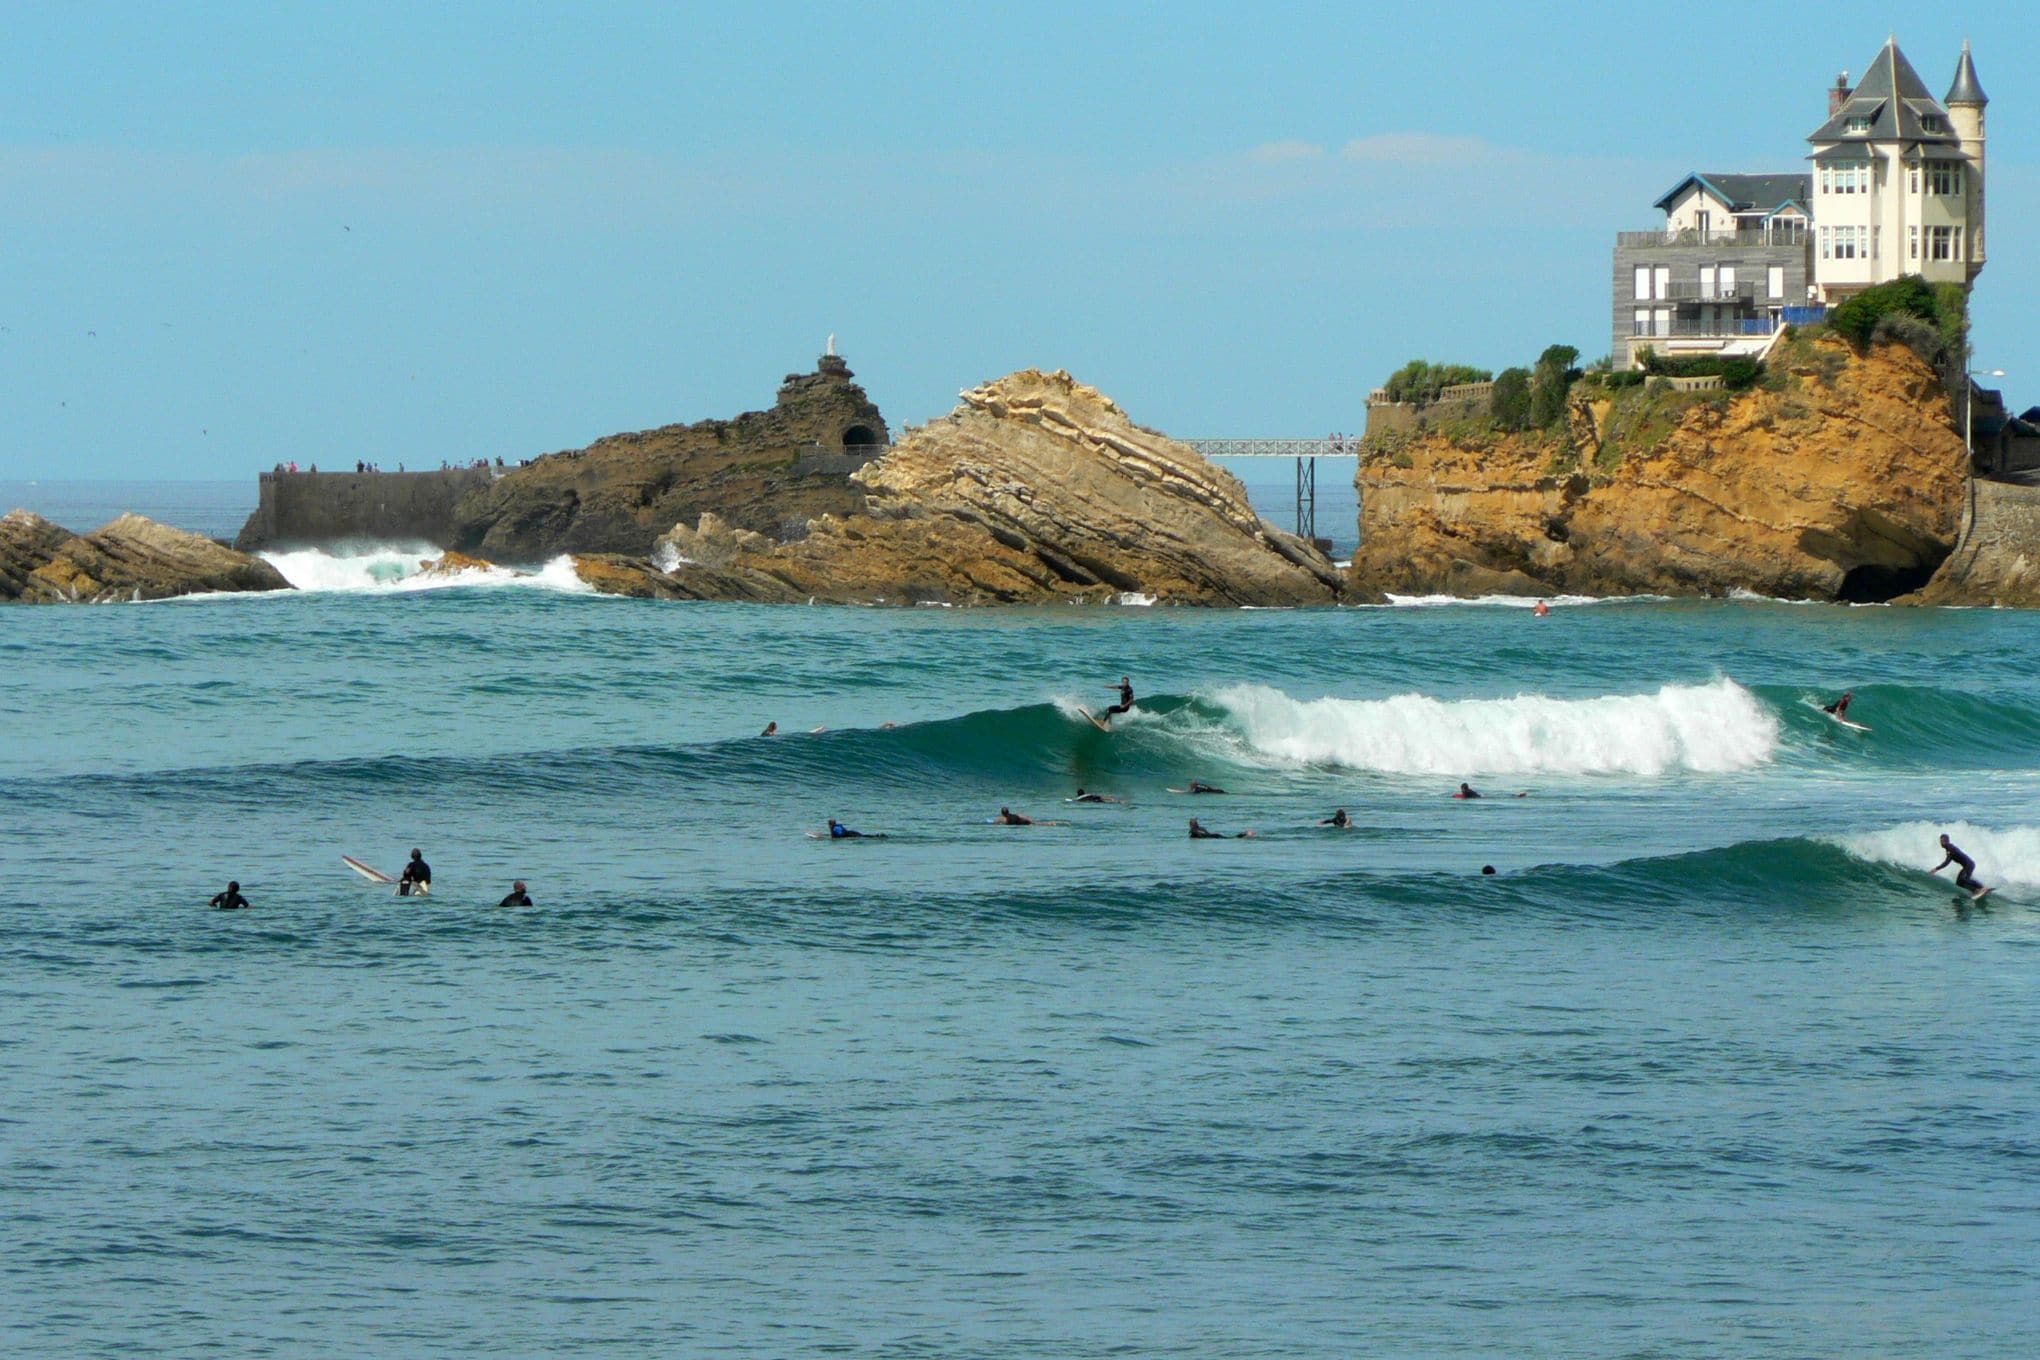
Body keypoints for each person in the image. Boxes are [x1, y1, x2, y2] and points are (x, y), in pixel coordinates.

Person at [1931, 833, 1988, 898]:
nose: (1940, 843)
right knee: (1959, 883)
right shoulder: (1948, 848)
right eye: (1940, 841)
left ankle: (1982, 887)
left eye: (1941, 841)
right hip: (1966, 866)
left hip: (1969, 865)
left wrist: (1936, 869)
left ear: (1946, 841)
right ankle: (1975, 890)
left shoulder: (1950, 848)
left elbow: (1947, 862)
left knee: (1965, 879)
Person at [1189, 817, 1254, 839]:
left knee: (1231, 838)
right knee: (1229, 838)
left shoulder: (1192, 830)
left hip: (1212, 837)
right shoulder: (1202, 828)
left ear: (1190, 825)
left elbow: (1199, 835)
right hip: (1214, 835)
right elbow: (1205, 833)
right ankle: (1244, 833)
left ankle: (1245, 834)